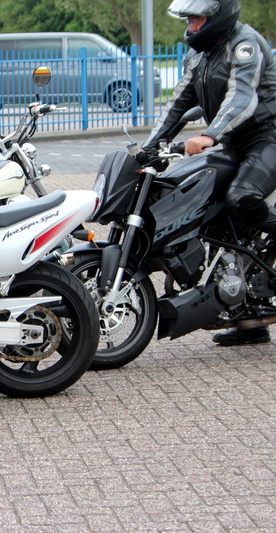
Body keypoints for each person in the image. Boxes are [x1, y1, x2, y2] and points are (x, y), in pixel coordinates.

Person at [139, 0, 276, 346]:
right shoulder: (199, 55)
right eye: (189, 20)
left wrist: (209, 135)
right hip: (234, 141)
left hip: (267, 137)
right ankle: (250, 318)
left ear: (219, 16)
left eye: (198, 19)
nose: (192, 27)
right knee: (216, 218)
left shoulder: (245, 44)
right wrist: (148, 147)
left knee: (242, 197)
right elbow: (178, 103)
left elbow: (242, 98)